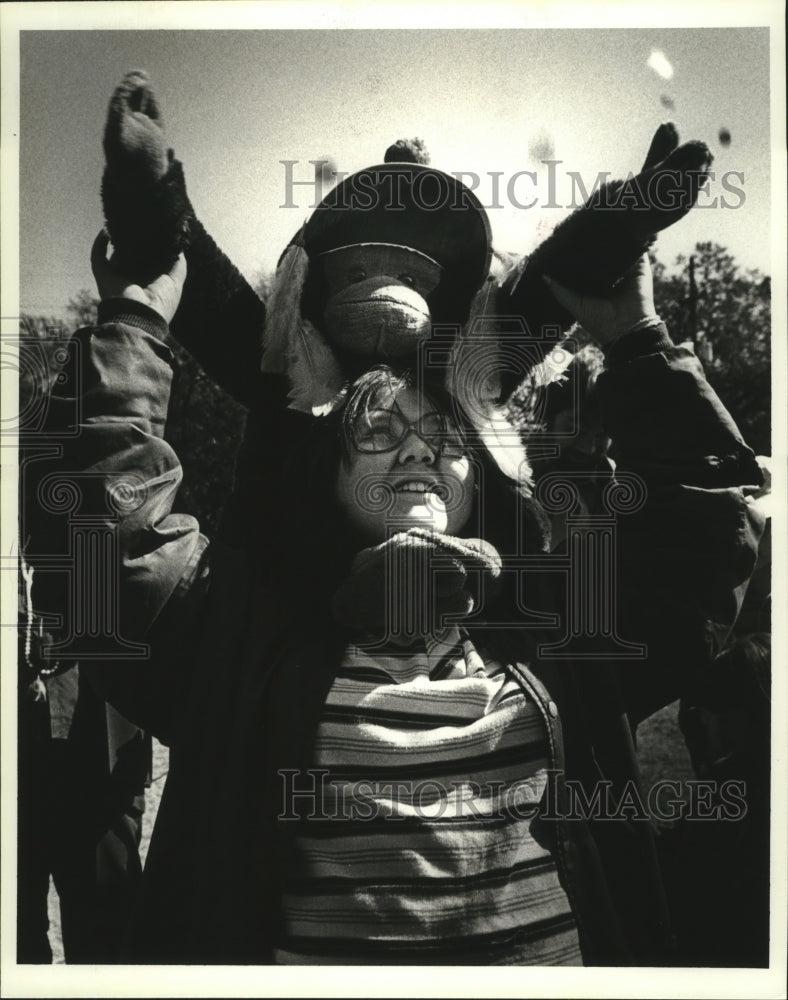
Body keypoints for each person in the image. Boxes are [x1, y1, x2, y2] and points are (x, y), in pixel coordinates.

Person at [27, 232, 764, 966]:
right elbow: (106, 556)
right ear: (328, 476)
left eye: (443, 436)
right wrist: (133, 321)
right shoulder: (244, 643)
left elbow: (698, 560)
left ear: (477, 481)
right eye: (379, 430)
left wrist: (637, 338)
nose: (417, 449)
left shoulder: (561, 633)